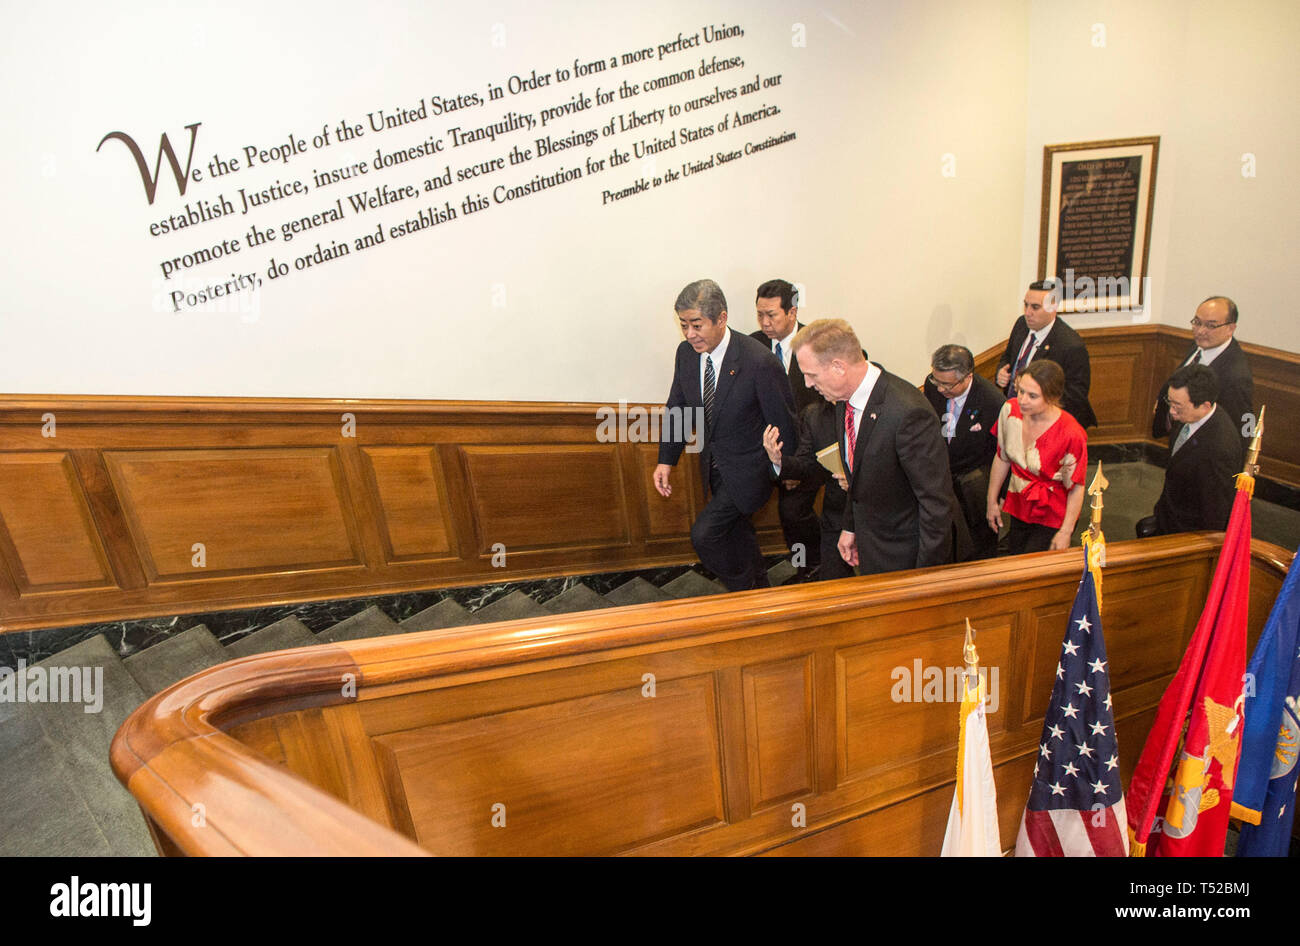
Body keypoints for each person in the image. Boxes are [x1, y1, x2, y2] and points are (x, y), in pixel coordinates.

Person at [765, 318, 957, 576]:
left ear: (838, 367)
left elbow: (936, 504)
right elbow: (859, 480)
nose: (808, 385)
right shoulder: (844, 402)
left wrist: (925, 579)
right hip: (869, 544)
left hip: (904, 555)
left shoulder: (908, 413)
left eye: (811, 375)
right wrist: (851, 527)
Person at [654, 278, 796, 591]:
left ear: (721, 319)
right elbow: (678, 408)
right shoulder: (687, 354)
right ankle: (759, 594)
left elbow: (783, 422)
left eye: (696, 325)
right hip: (714, 469)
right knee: (738, 534)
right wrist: (666, 460)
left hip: (751, 470)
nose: (690, 334)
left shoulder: (758, 361)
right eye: (683, 325)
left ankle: (742, 592)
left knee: (705, 535)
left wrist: (786, 469)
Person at [751, 278, 820, 581]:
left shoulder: (815, 344)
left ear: (791, 312)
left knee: (793, 514)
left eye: (772, 315)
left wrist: (793, 465)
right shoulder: (752, 345)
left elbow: (823, 412)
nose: (765, 323)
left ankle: (810, 567)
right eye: (760, 315)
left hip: (807, 453)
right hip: (766, 449)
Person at [986, 359, 1087, 555]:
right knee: (1016, 554)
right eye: (1021, 391)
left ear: (1052, 397)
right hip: (1019, 500)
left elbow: (1076, 486)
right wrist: (991, 501)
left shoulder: (1071, 433)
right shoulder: (1009, 410)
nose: (1022, 400)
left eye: (1032, 396)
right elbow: (1002, 457)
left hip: (1051, 510)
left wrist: (1066, 531)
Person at [1137, 365, 1243, 537]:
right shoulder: (1189, 416)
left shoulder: (1219, 449)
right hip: (1168, 516)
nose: (1171, 412)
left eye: (1177, 406)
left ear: (1205, 406)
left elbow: (1215, 512)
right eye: (1169, 402)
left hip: (1186, 533)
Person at [923, 344, 1004, 560]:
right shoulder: (933, 387)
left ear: (967, 377)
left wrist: (996, 498)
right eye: (936, 381)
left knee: (977, 543)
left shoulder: (992, 402)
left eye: (947, 385)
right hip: (942, 476)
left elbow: (1000, 453)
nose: (940, 389)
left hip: (974, 483)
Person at [1151, 296, 1253, 446]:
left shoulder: (1236, 376)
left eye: (1211, 326)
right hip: (1180, 438)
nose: (1200, 331)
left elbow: (1240, 429)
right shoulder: (1200, 346)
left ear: (1230, 329)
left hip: (1204, 450)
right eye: (1197, 323)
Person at [995, 279, 1097, 428]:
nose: (1028, 313)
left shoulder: (1071, 345)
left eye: (1035, 307)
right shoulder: (1021, 325)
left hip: (1046, 422)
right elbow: (1007, 357)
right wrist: (1001, 372)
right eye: (1026, 305)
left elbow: (1076, 395)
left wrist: (1033, 394)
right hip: (1013, 413)